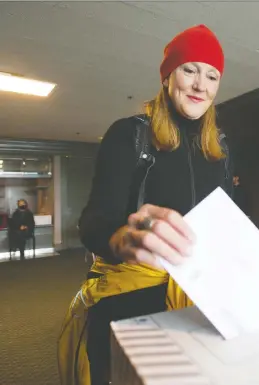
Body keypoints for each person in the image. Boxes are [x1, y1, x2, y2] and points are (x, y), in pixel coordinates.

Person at [67, 25, 233, 385]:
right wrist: (121, 238)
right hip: (132, 299)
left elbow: (226, 222)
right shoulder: (129, 134)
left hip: (200, 296)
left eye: (212, 75)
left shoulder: (219, 149)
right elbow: (93, 221)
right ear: (167, 75)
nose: (200, 85)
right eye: (189, 69)